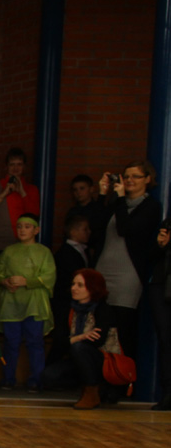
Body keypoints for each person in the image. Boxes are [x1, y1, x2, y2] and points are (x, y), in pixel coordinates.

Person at [94, 160, 162, 364]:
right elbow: (96, 228)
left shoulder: (151, 206)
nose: (130, 180)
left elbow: (126, 229)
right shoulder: (117, 202)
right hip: (103, 269)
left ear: (147, 179)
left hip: (128, 274)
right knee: (100, 327)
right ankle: (100, 375)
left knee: (124, 328)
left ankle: (124, 377)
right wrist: (103, 194)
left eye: (136, 176)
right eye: (126, 176)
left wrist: (121, 198)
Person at [0, 214, 55, 391]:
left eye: (27, 227)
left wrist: (27, 281)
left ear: (36, 230)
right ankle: (8, 378)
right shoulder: (9, 251)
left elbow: (49, 276)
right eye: (19, 226)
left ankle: (36, 379)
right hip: (11, 303)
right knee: (11, 342)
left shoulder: (43, 252)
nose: (22, 230)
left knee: (35, 342)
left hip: (34, 304)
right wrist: (5, 282)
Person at [41, 269, 119, 410]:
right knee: (49, 376)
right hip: (77, 358)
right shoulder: (69, 310)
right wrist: (81, 337)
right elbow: (59, 342)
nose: (74, 288)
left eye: (80, 285)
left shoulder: (103, 309)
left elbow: (98, 341)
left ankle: (92, 392)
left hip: (103, 360)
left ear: (92, 288)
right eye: (73, 284)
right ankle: (88, 388)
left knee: (79, 348)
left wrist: (73, 341)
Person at [0, 147, 40, 264]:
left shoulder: (31, 189)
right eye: (12, 164)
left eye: (19, 164)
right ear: (6, 167)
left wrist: (23, 193)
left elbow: (34, 215)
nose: (15, 168)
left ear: (24, 167)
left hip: (23, 242)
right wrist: (3, 194)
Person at [48, 214, 91, 364]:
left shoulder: (84, 251)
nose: (89, 232)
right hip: (65, 302)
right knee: (62, 336)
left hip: (74, 302)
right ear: (73, 231)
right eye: (85, 229)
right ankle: (50, 368)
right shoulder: (65, 253)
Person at [148, 216, 171, 410]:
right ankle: (168, 393)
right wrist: (161, 244)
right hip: (162, 286)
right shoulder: (167, 224)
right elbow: (150, 256)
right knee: (166, 341)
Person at [66, 174, 107, 260]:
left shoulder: (98, 209)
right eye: (75, 190)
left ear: (91, 189)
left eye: (82, 188)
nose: (78, 192)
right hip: (75, 252)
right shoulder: (72, 212)